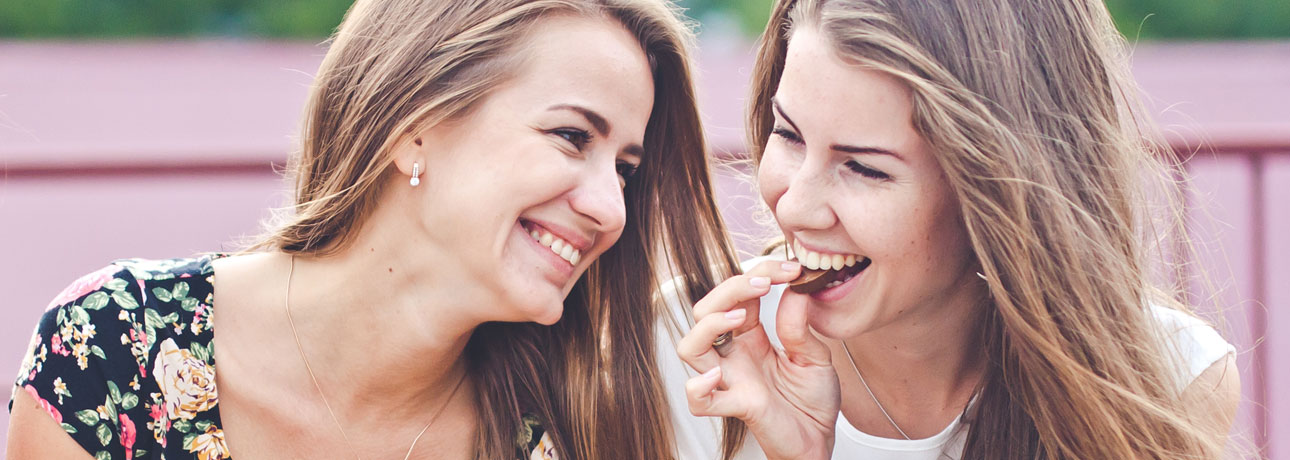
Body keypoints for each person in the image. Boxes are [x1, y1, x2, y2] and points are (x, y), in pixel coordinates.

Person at [8, 0, 741, 459]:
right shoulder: (116, 346)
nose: (611, 209)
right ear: (414, 125)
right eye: (573, 137)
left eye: (626, 169)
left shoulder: (573, 432)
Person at [665, 0, 1241, 459]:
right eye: (788, 135)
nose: (794, 207)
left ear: (997, 190)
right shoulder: (687, 348)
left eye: (864, 167)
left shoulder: (1165, 384)